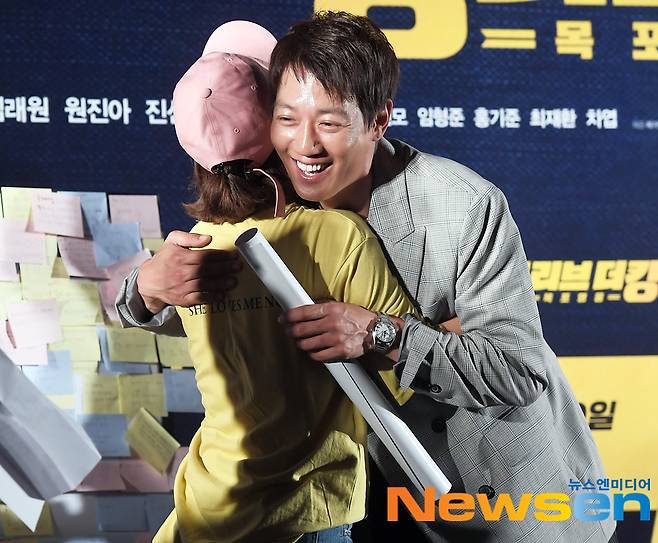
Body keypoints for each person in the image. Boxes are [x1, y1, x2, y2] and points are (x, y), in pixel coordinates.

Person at [118, 13, 617, 543]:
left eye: (330, 124)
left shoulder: (463, 206)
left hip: (512, 499)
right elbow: (225, 307)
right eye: (286, 119)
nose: (304, 145)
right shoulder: (272, 199)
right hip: (384, 504)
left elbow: (517, 371)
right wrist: (147, 288)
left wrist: (382, 332)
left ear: (379, 120)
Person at [149, 20, 429, 543]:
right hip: (307, 514)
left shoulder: (188, 248)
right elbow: (409, 376)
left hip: (205, 510)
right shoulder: (338, 236)